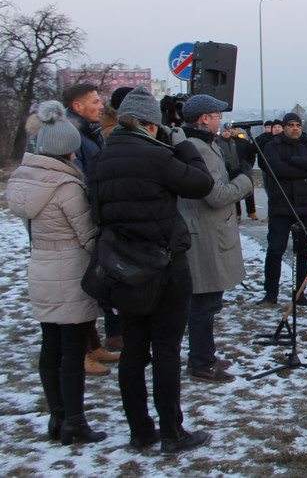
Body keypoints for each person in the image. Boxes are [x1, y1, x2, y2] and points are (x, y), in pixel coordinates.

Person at [88, 86, 215, 454]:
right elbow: (200, 183)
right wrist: (183, 144)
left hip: (122, 267)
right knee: (165, 350)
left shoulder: (101, 159)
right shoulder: (156, 156)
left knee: (133, 349)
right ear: (151, 126)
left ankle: (140, 431)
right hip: (164, 264)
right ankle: (173, 432)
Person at [6, 101, 106, 444]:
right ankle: (75, 423)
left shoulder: (24, 182)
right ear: (68, 152)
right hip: (70, 275)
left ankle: (57, 418)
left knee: (50, 348)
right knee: (73, 352)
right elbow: (88, 237)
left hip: (41, 270)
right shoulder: (66, 188)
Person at [173, 95, 253, 384]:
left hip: (208, 231)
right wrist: (244, 180)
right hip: (205, 234)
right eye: (217, 114)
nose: (221, 119)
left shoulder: (204, 144)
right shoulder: (198, 148)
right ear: (204, 118)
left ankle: (204, 353)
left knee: (207, 303)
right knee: (204, 304)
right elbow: (216, 195)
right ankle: (201, 362)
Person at [260, 112, 307, 305]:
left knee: (303, 252)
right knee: (275, 250)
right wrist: (305, 169)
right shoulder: (273, 146)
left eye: (298, 125)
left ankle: (300, 293)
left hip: (305, 206)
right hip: (281, 205)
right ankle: (271, 293)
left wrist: (293, 161)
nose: (295, 128)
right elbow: (276, 168)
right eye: (291, 125)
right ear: (284, 127)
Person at [61, 82, 105, 181]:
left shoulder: (90, 131)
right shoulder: (69, 136)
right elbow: (77, 179)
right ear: (78, 106)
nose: (101, 106)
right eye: (95, 102)